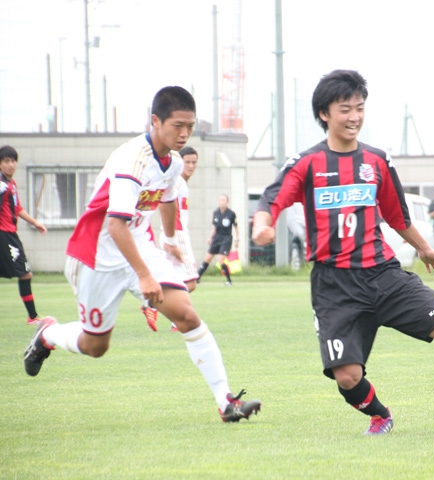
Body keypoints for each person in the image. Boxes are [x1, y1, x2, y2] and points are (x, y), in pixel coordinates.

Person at [251, 69, 434, 435]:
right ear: (324, 114)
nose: (354, 116)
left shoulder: (376, 162)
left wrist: (425, 249)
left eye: (359, 107)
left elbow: (396, 214)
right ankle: (380, 414)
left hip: (382, 274)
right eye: (345, 109)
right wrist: (263, 224)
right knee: (346, 376)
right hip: (334, 285)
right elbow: (270, 198)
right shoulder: (307, 164)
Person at [23, 86, 261, 423]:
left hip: (139, 246)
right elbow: (116, 225)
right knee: (96, 347)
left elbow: (167, 197)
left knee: (187, 315)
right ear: (155, 120)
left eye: (190, 127)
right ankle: (47, 334)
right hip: (97, 255)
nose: (184, 134)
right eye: (177, 125)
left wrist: (169, 239)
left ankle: (225, 402)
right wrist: (145, 275)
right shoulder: (132, 160)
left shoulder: (174, 162)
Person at [141, 146, 200, 332]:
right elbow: (170, 211)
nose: (190, 166)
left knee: (170, 279)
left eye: (194, 162)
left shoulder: (181, 183)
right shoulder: (179, 183)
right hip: (177, 234)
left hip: (172, 234)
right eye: (187, 162)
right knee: (190, 282)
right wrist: (172, 241)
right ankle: (153, 306)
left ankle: (171, 318)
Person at [0, 145, 48, 325]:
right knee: (25, 274)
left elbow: (17, 208)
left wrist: (35, 223)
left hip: (10, 235)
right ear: (0, 164)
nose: (10, 164)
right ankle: (33, 317)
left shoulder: (11, 184)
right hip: (4, 235)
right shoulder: (2, 185)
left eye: (13, 161)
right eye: (6, 161)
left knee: (25, 274)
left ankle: (33, 316)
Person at [197, 194, 239, 286]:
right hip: (217, 237)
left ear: (227, 202)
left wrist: (237, 240)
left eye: (223, 200)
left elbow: (236, 227)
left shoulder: (231, 214)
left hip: (226, 238)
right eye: (220, 200)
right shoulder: (216, 212)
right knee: (207, 258)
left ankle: (229, 281)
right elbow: (214, 227)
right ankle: (197, 277)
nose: (221, 202)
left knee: (221, 260)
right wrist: (210, 237)